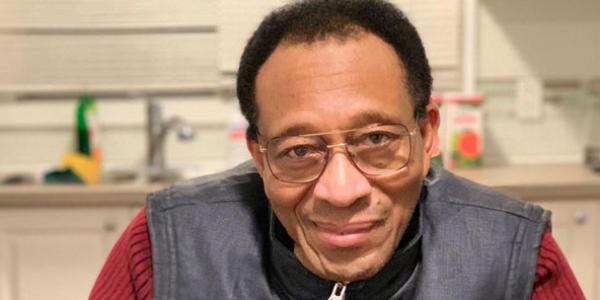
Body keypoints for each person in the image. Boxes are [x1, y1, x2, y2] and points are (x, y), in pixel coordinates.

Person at [90, 0, 584, 299]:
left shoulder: (515, 254)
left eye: (376, 140)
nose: (341, 191)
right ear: (260, 156)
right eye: (300, 150)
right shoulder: (164, 246)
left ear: (428, 132)